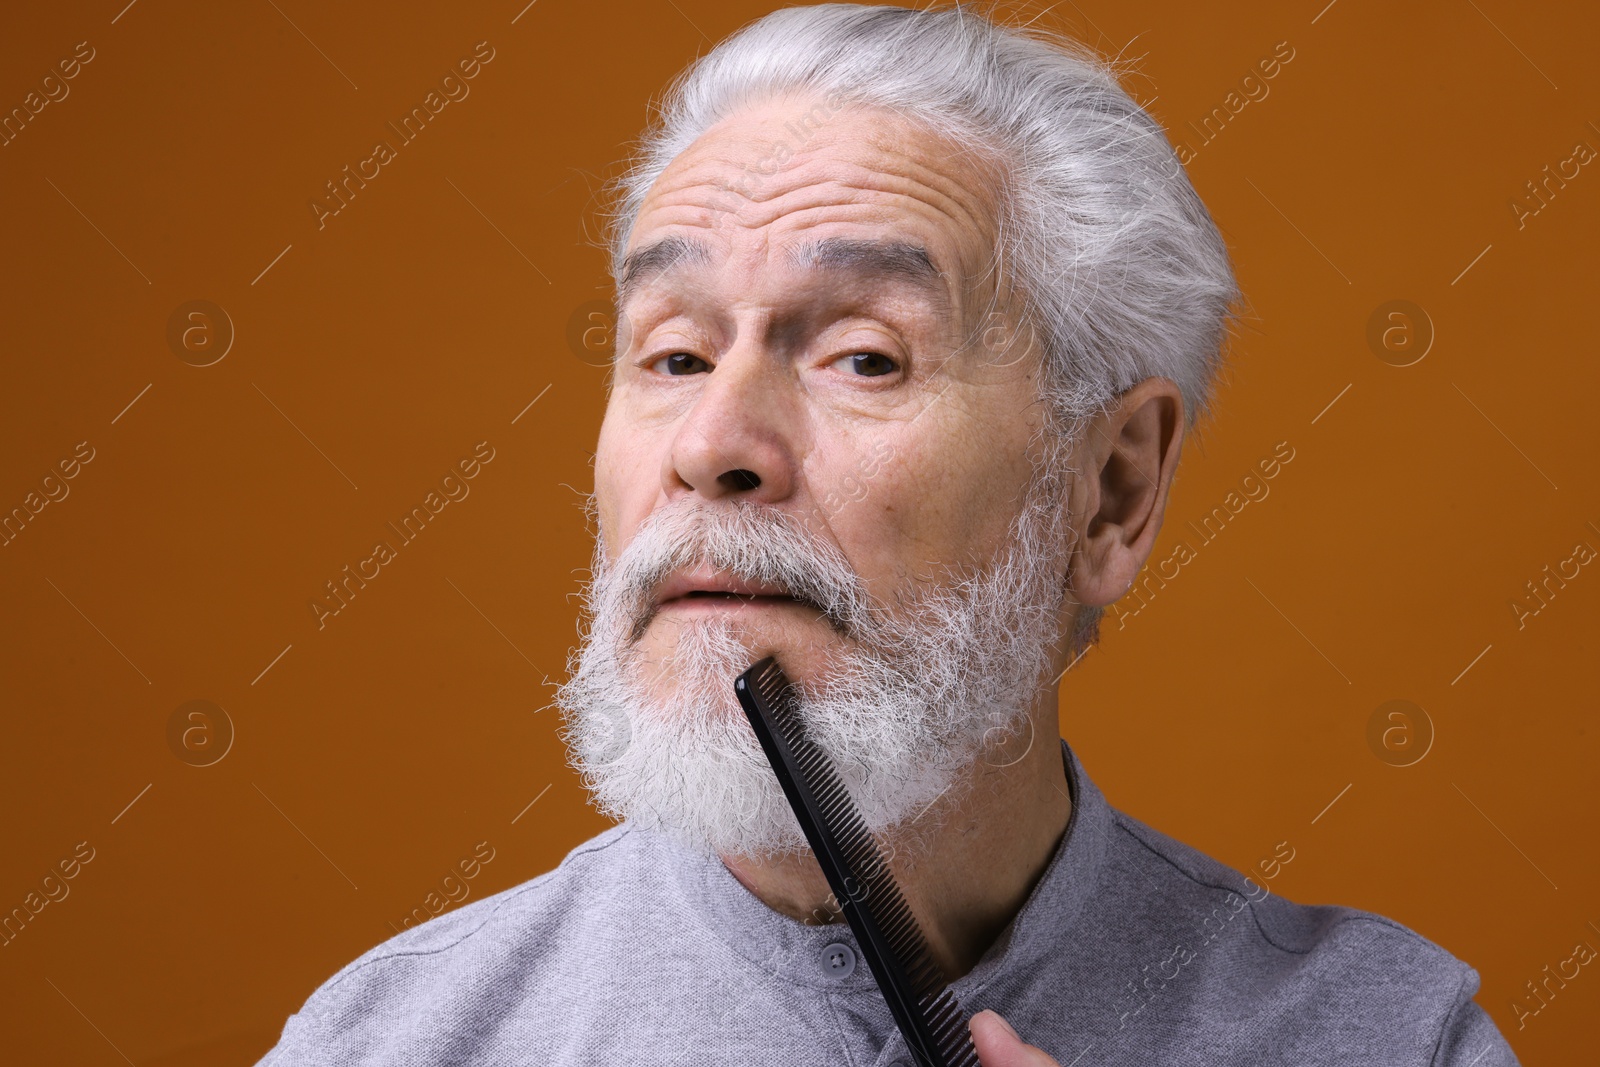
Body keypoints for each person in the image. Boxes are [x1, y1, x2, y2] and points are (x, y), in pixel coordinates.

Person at [255, 5, 1520, 1064]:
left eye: (866, 355)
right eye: (676, 352)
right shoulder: (388, 1040)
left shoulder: (1392, 1039)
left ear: (1111, 490)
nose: (712, 442)